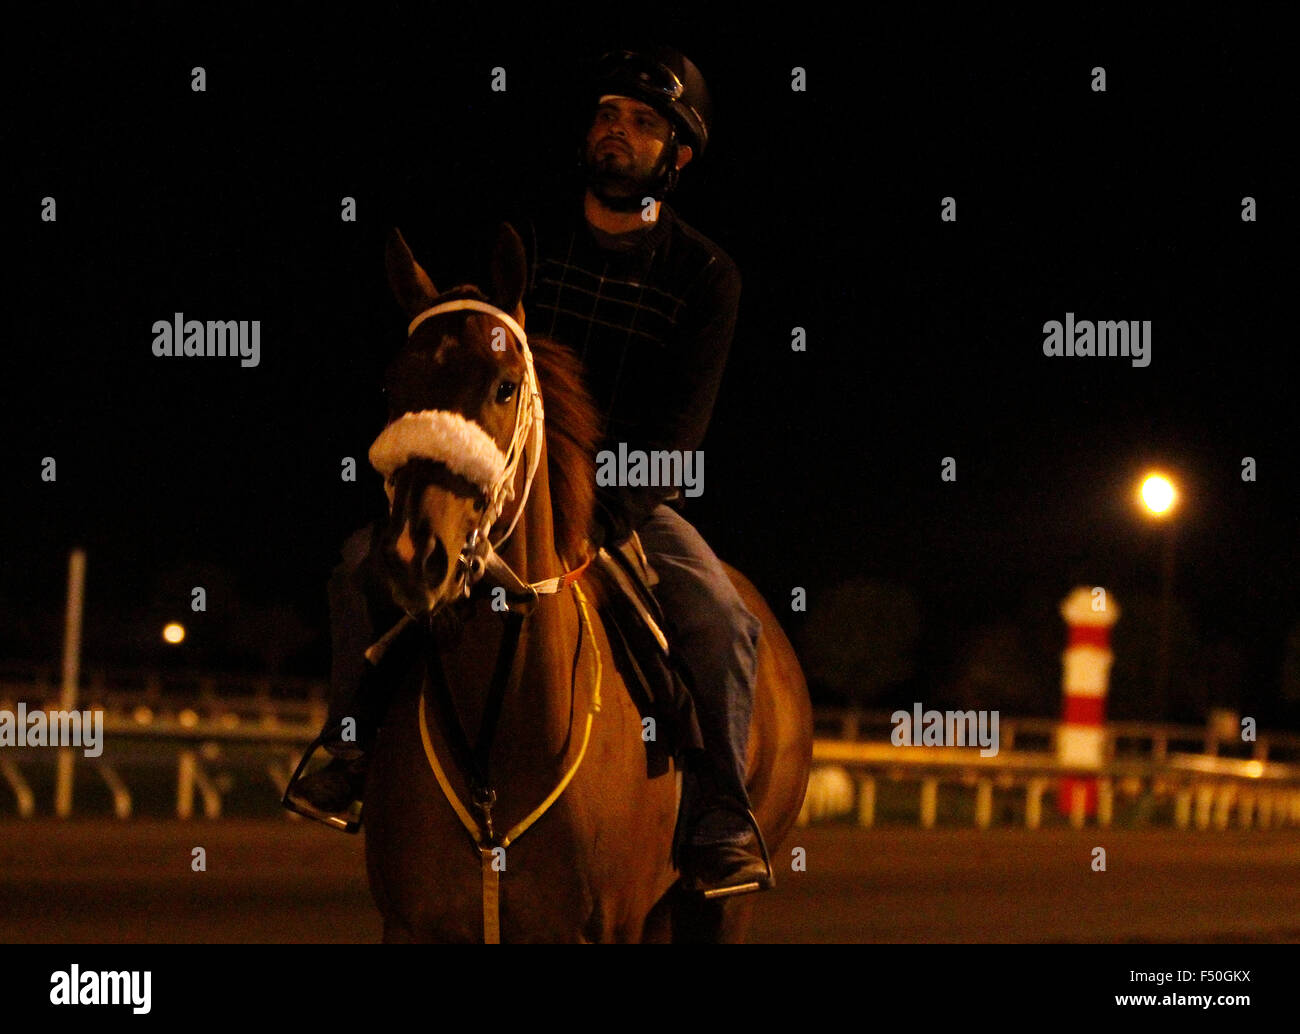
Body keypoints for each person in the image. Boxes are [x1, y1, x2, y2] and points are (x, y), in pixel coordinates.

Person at [287, 45, 771, 897]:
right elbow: (477, 359)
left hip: (625, 498)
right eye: (607, 114)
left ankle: (723, 813)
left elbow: (680, 429)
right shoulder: (529, 238)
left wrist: (602, 510)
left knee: (723, 618)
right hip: (506, 482)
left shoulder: (708, 276)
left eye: (643, 122)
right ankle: (352, 745)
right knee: (362, 563)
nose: (616, 132)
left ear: (678, 156)